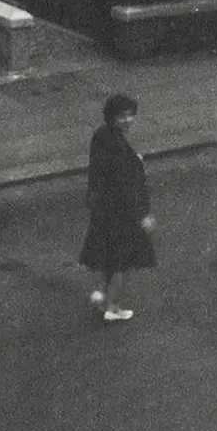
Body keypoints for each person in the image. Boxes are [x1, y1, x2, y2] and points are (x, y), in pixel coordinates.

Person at [79, 94, 156, 322]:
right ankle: (112, 307)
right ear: (113, 117)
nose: (129, 120)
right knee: (121, 263)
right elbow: (128, 187)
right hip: (123, 215)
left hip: (104, 210)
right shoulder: (118, 149)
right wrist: (144, 215)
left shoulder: (102, 135)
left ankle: (104, 297)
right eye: (123, 116)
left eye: (131, 115)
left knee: (110, 258)